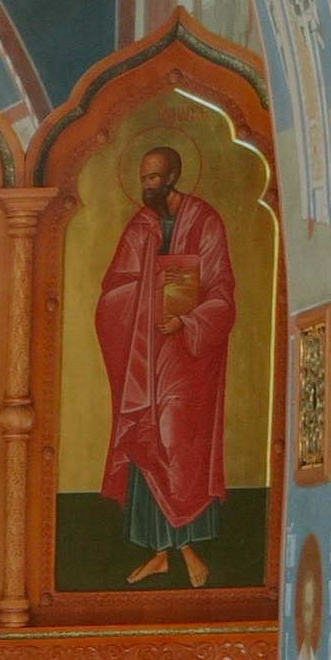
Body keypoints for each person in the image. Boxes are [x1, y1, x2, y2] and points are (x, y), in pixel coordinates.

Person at [95, 144, 236, 587]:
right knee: (148, 437)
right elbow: (113, 292)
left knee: (180, 444)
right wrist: (142, 300)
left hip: (190, 359)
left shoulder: (207, 221)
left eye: (155, 177)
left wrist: (188, 320)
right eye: (143, 178)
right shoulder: (139, 227)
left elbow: (222, 294)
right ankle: (161, 552)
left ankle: (189, 547)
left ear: (174, 175)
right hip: (145, 354)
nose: (148, 186)